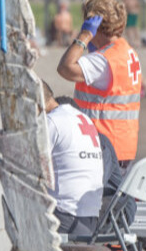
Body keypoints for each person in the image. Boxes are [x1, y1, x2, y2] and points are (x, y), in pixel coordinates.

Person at [56, 0, 142, 166]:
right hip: (122, 146)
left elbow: (64, 68)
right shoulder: (126, 51)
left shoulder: (102, 61)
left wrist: (84, 36)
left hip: (105, 148)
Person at [42, 81, 104, 237]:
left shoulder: (51, 122)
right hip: (91, 218)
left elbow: (28, 166)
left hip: (65, 216)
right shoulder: (83, 119)